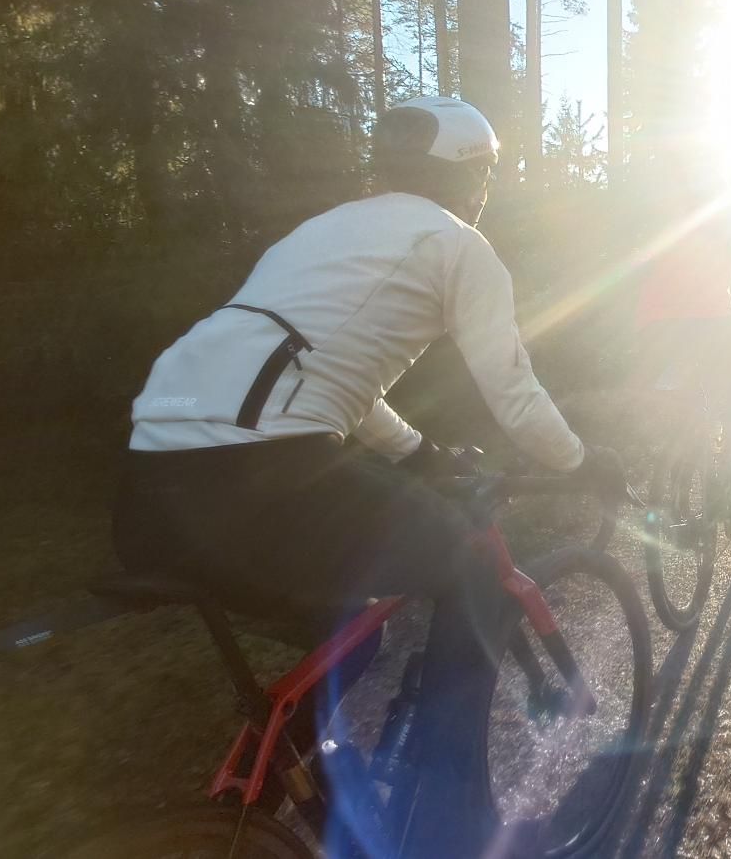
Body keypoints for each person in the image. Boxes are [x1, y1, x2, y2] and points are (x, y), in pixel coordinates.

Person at [115, 95, 617, 848]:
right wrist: (583, 461)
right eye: (484, 175)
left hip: (146, 494)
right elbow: (513, 390)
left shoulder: (318, 232)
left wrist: (416, 453)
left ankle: (273, 789)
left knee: (350, 626)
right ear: (471, 177)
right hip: (260, 477)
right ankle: (453, 822)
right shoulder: (457, 242)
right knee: (471, 564)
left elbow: (320, 373)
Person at [627, 152, 731, 470]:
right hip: (713, 319)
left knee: (669, 383)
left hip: (654, 325)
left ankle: (662, 442)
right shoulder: (721, 208)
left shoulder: (656, 205)